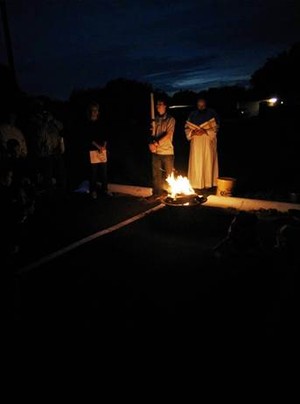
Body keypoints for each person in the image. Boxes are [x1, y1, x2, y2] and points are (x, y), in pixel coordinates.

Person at [184, 97, 219, 191]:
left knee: (207, 161)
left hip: (207, 141)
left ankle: (207, 183)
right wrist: (193, 132)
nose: (201, 108)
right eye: (199, 106)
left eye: (203, 106)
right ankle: (196, 184)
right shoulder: (192, 114)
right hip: (196, 142)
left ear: (206, 105)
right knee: (197, 163)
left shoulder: (212, 113)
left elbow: (216, 127)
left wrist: (205, 131)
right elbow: (187, 127)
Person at [147, 98, 175, 200]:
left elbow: (169, 134)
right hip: (156, 151)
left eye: (160, 104)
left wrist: (157, 142)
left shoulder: (170, 119)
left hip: (167, 151)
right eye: (157, 104)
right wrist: (151, 143)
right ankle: (157, 193)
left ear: (165, 106)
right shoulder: (155, 120)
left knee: (169, 175)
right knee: (156, 175)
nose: (158, 106)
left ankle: (172, 194)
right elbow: (151, 134)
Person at [84, 101, 112, 199]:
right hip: (93, 150)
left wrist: (104, 145)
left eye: (96, 110)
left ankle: (105, 189)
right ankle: (93, 190)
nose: (94, 112)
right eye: (93, 110)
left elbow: (106, 134)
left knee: (104, 171)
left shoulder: (101, 122)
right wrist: (98, 146)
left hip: (102, 149)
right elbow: (89, 138)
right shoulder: (88, 123)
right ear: (90, 111)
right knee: (93, 172)